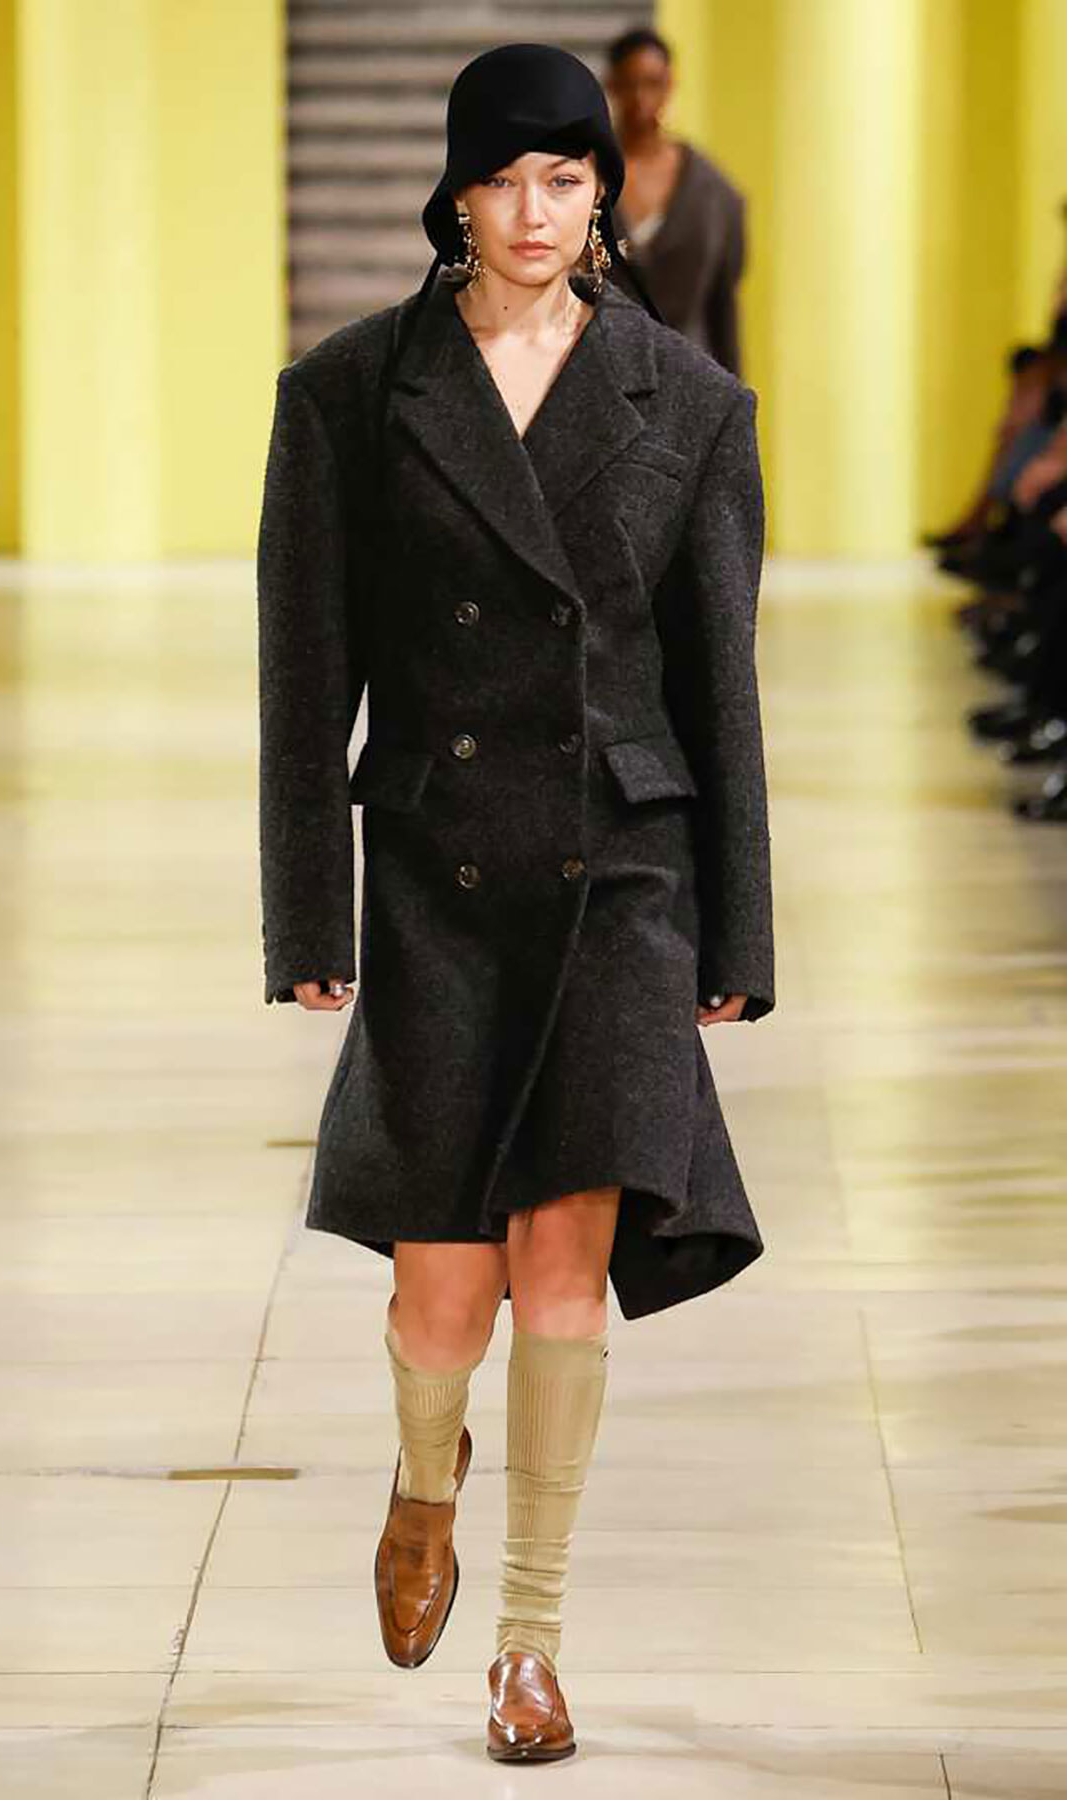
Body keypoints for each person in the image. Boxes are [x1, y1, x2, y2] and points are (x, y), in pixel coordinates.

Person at [256, 41, 774, 1763]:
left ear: (602, 194)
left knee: (566, 1272)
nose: (538, 212)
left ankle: (532, 1646)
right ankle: (427, 1481)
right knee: (442, 1300)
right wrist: (307, 916)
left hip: (622, 873)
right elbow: (304, 673)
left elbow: (719, 687)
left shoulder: (688, 404)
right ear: (456, 196)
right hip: (439, 876)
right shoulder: (352, 393)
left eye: (568, 179)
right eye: (505, 180)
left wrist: (739, 931)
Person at [605, 26, 747, 375]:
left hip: (692, 377)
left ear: (670, 84)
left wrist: (736, 393)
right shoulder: (585, 179)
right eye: (629, 84)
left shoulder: (712, 191)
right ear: (612, 86)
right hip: (604, 373)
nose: (641, 98)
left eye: (652, 83)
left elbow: (723, 310)